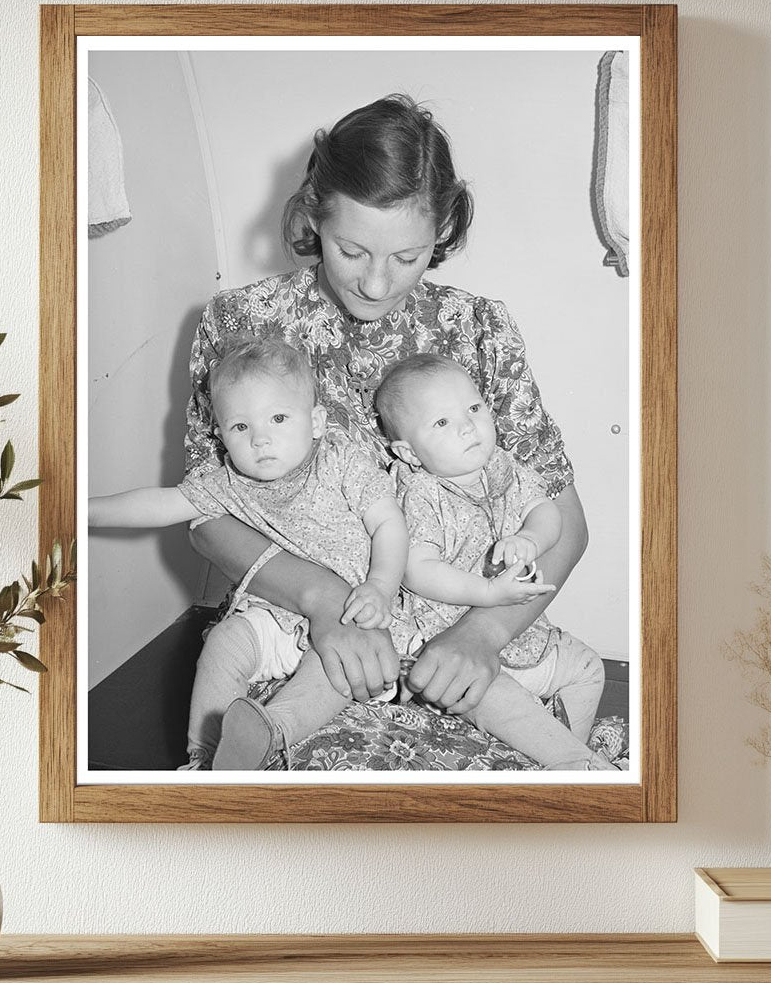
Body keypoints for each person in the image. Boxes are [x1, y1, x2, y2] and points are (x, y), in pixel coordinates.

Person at [185, 93, 590, 746]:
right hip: (292, 630)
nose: (377, 283)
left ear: (445, 227)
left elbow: (567, 524)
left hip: (453, 640)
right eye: (352, 251)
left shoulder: (480, 329)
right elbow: (204, 515)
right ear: (315, 213)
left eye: (409, 257)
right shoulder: (240, 324)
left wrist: (480, 636)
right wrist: (322, 602)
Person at [90, 338, 409, 768]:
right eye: (241, 427)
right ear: (221, 435)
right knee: (225, 642)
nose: (261, 439)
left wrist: (381, 587)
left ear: (315, 422)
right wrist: (84, 511)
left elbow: (389, 524)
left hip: (351, 617)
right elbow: (158, 504)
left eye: (278, 418)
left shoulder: (341, 461)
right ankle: (204, 755)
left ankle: (270, 733)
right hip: (273, 616)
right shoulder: (225, 483)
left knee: (334, 670)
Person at [376, 353, 615, 770]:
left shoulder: (503, 467)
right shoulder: (420, 493)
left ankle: (567, 745)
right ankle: (571, 764)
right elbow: (416, 569)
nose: (468, 426)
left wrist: (530, 538)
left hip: (517, 633)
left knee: (588, 667)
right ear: (409, 452)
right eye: (442, 423)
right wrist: (487, 592)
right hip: (444, 637)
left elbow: (547, 512)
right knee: (490, 691)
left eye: (473, 408)